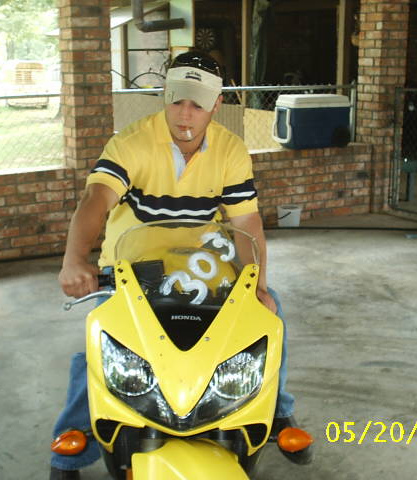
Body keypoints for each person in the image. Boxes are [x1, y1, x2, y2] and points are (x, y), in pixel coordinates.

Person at [51, 50, 297, 480]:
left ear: (216, 104)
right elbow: (96, 199)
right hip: (133, 269)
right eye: (176, 100)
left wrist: (257, 284)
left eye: (197, 104)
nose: (185, 114)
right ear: (164, 95)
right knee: (104, 342)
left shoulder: (230, 149)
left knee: (267, 317)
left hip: (202, 266)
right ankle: (71, 447)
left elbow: (246, 221)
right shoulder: (131, 142)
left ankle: (274, 410)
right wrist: (74, 260)